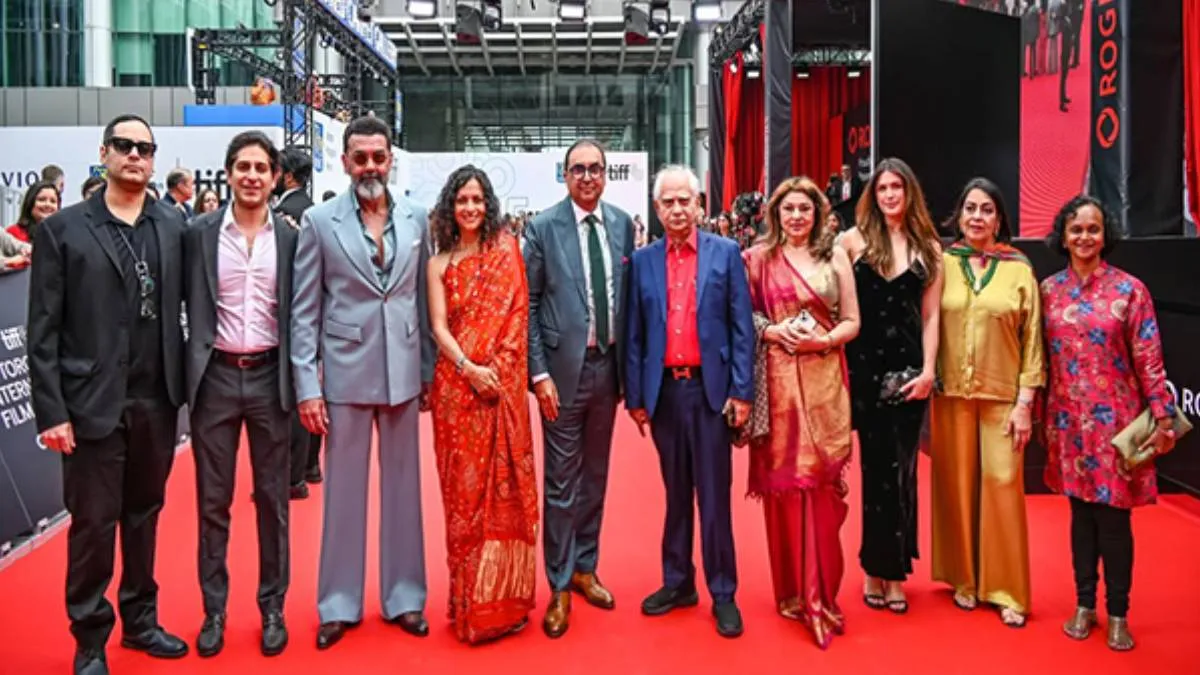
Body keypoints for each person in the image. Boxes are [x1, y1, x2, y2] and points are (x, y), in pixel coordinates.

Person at [28, 114, 189, 675]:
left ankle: (141, 621)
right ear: (105, 154)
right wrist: (52, 412)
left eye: (145, 147)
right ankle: (90, 639)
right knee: (93, 525)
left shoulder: (173, 226)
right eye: (124, 145)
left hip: (156, 401)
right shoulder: (63, 230)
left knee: (144, 517)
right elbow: (42, 331)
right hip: (89, 404)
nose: (135, 155)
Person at [291, 115, 434, 650]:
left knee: (405, 491)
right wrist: (307, 385)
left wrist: (428, 371)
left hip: (404, 372)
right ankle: (337, 603)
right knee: (343, 495)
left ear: (390, 159)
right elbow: (304, 309)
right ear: (346, 161)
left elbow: (423, 300)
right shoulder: (319, 221)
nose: (370, 166)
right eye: (361, 158)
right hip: (345, 373)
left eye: (379, 157)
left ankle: (405, 596)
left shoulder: (417, 217)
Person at [1041, 195, 1175, 651]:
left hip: (1116, 425)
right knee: (1080, 516)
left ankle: (1118, 612)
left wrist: (1163, 418)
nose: (1084, 237)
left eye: (1093, 229)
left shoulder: (1130, 291)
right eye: (1076, 229)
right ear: (1063, 236)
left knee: (1114, 521)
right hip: (1066, 422)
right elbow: (1038, 360)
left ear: (1105, 235)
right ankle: (1084, 605)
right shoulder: (1048, 291)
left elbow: (1150, 359)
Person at [625, 165, 754, 638]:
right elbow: (634, 334)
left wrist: (742, 391)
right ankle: (678, 581)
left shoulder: (726, 253)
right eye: (669, 202)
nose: (678, 209)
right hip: (665, 394)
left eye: (685, 201)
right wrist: (636, 397)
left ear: (699, 204)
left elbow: (742, 329)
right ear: (656, 209)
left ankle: (723, 592)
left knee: (714, 497)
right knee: (675, 493)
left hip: (711, 393)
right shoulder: (642, 261)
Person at [183, 131, 297, 657]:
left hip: (272, 377)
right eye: (243, 166)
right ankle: (214, 609)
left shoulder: (291, 238)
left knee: (273, 500)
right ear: (228, 173)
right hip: (216, 379)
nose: (252, 176)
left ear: (275, 178)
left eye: (261, 168)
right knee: (213, 502)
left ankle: (273, 606)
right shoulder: (199, 234)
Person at [523, 139, 635, 637]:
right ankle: (559, 583)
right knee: (561, 483)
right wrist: (539, 374)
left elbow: (627, 300)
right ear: (565, 175)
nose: (587, 176)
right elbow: (528, 304)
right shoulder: (543, 227)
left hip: (607, 370)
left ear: (606, 174)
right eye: (578, 169)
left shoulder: (622, 225)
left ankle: (586, 567)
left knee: (595, 477)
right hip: (561, 376)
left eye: (595, 169)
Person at [742, 177, 860, 648]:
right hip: (779, 388)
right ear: (776, 213)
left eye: (804, 209)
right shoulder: (757, 259)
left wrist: (823, 341)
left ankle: (822, 594)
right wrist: (772, 332)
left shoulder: (836, 256)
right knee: (788, 491)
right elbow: (744, 318)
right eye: (788, 209)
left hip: (825, 381)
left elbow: (852, 320)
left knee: (821, 490)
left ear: (818, 213)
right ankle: (794, 592)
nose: (796, 217)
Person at [427, 165, 538, 644]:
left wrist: (497, 371)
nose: (469, 208)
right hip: (456, 392)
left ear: (487, 205)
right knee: (462, 504)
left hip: (500, 388)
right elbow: (438, 326)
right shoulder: (439, 263)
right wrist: (470, 368)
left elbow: (517, 317)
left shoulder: (506, 252)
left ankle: (502, 605)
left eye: (476, 199)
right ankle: (468, 605)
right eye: (461, 200)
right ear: (450, 208)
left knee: (503, 499)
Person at [930, 177, 1044, 628]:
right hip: (951, 394)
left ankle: (1008, 589)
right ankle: (964, 578)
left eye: (987, 210)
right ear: (959, 215)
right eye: (970, 208)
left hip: (1002, 396)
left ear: (999, 219)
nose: (977, 217)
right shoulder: (943, 263)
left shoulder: (1018, 269)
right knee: (956, 486)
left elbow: (1033, 340)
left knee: (1002, 484)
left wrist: (1025, 401)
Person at [839, 158, 943, 614]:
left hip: (909, 371)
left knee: (903, 471)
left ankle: (895, 571)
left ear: (909, 191)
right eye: (882, 188)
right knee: (875, 471)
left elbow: (932, 315)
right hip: (864, 371)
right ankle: (874, 569)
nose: (889, 195)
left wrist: (929, 371)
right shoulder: (852, 241)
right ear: (872, 195)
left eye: (896, 187)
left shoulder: (929, 247)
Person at [273, 146, 321, 497]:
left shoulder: (284, 215)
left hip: (292, 315)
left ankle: (294, 475)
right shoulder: (315, 212)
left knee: (294, 397)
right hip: (317, 316)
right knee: (313, 390)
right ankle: (311, 465)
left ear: (287, 176)